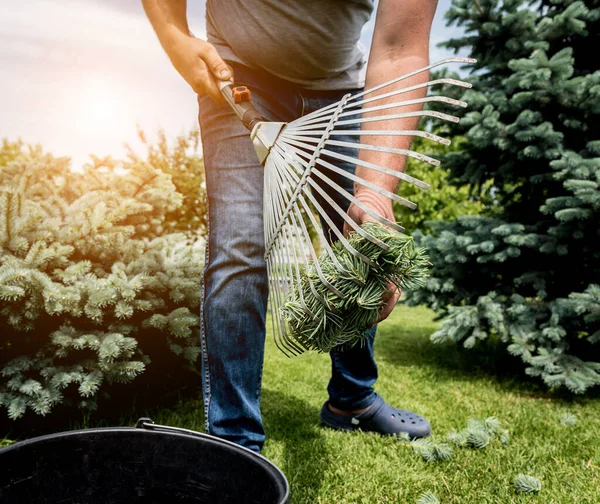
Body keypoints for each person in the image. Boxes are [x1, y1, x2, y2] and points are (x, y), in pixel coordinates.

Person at [142, 0, 437, 454]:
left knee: (360, 245)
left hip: (344, 90)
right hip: (238, 76)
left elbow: (400, 46)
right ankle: (234, 441)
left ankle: (351, 400)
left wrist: (375, 194)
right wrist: (173, 35)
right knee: (240, 246)